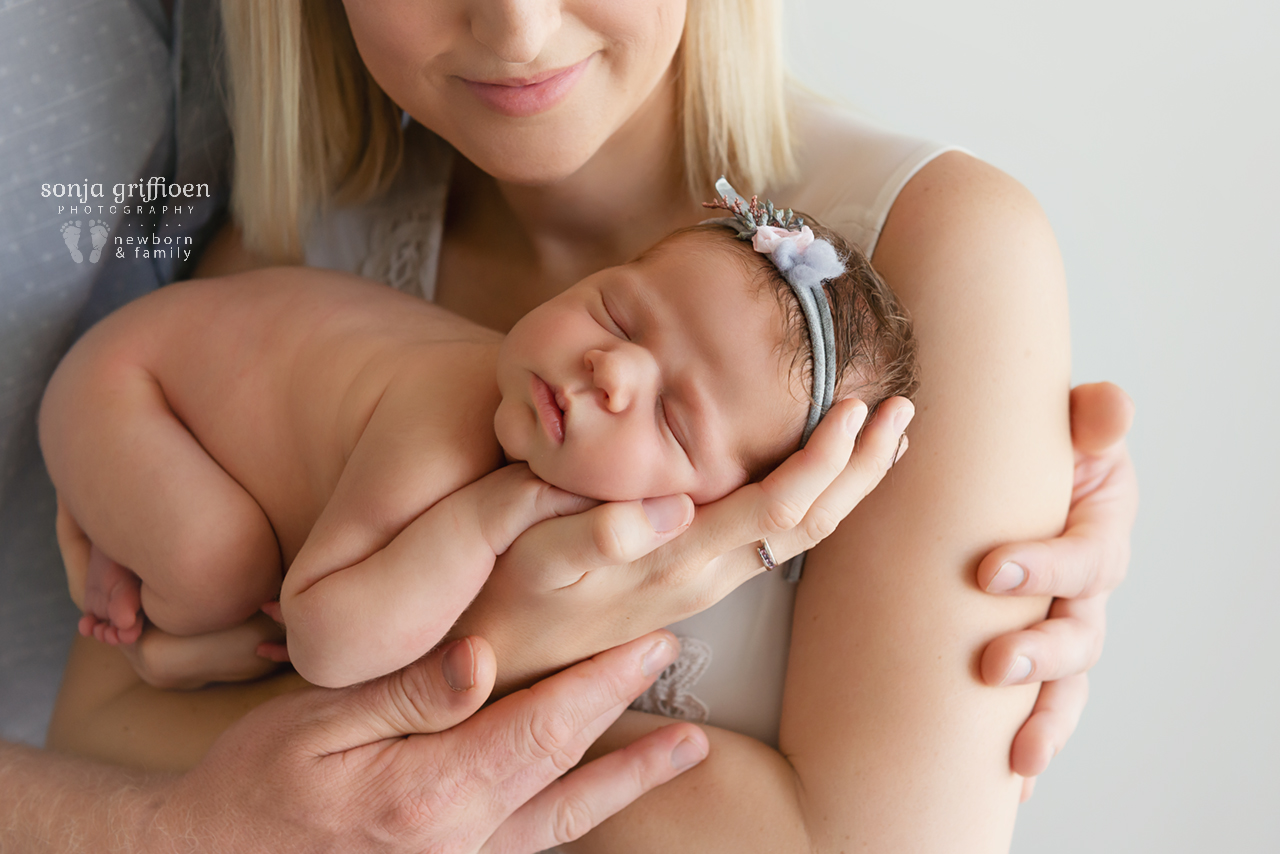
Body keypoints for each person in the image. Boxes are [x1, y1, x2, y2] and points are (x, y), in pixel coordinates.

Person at [42, 1, 1139, 850]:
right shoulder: (289, 244)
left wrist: (408, 698)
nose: (515, 27)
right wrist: (511, 640)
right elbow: (98, 742)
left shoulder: (940, 252)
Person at [44, 214, 915, 692]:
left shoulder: (560, 449)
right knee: (220, 571)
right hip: (131, 388)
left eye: (674, 420)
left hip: (174, 384)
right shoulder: (444, 426)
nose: (610, 369)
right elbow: (325, 642)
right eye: (616, 313)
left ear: (716, 509)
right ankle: (131, 565)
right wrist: (488, 515)